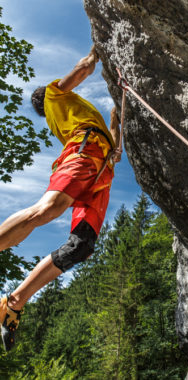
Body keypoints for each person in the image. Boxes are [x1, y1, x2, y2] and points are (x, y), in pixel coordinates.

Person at [0, 46, 122, 351]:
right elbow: (82, 69)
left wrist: (117, 121)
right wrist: (97, 52)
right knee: (48, 210)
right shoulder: (54, 96)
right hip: (85, 151)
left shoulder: (73, 114)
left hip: (100, 168)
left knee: (81, 247)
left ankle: (13, 304)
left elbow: (115, 142)